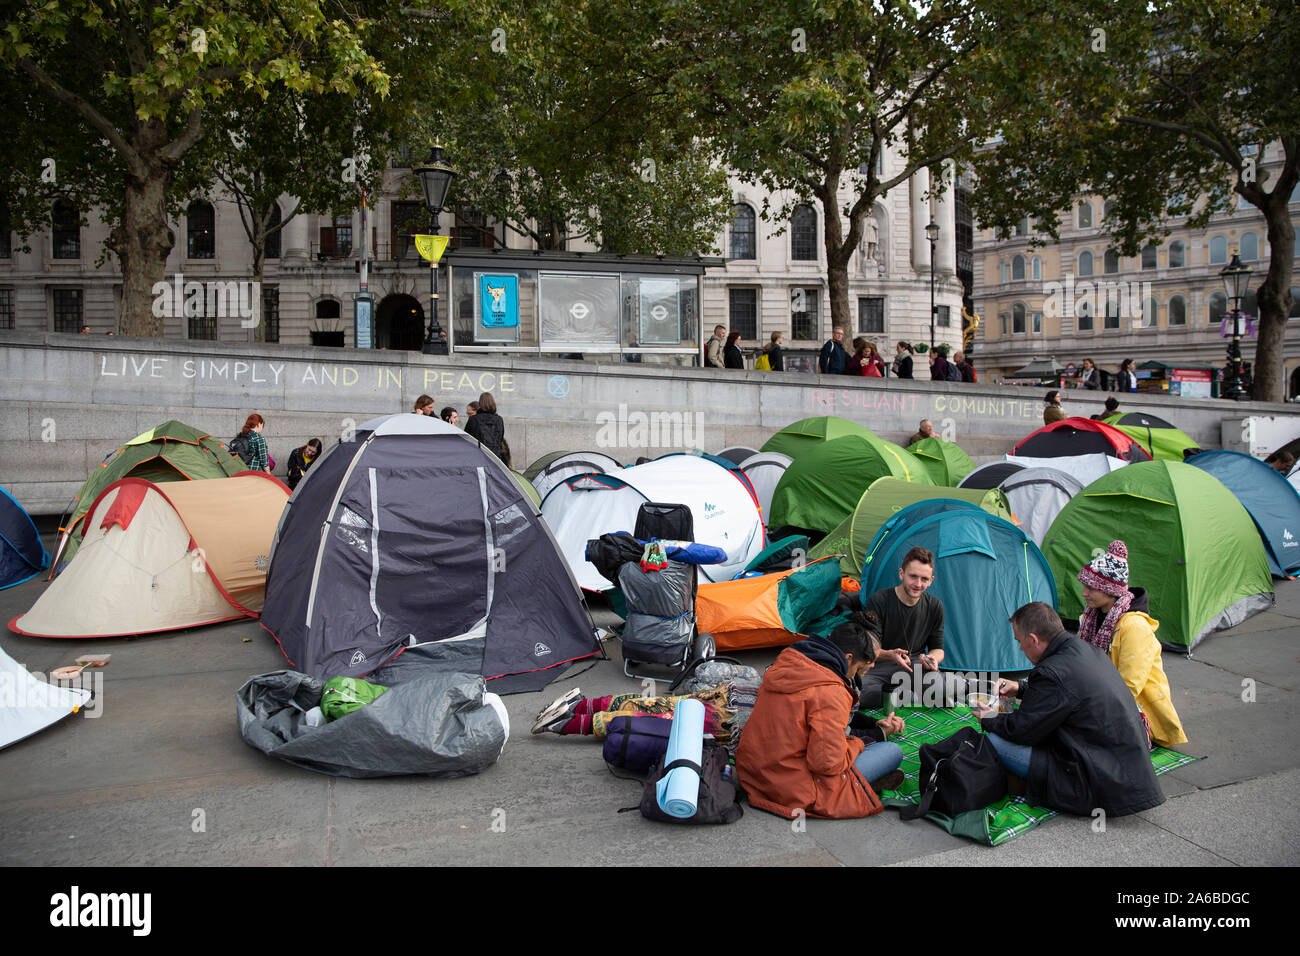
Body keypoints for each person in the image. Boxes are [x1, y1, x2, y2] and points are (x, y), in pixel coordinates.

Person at [971, 602, 1166, 817]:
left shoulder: (1050, 672)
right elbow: (1069, 692)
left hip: (1096, 781)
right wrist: (1021, 688)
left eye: (1020, 641)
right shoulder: (1086, 650)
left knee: (995, 741)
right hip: (1127, 770)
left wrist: (989, 718)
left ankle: (1022, 784)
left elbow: (1023, 731)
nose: (1020, 648)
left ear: (1034, 640)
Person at [736, 611, 905, 819]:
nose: (869, 668)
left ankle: (863, 783)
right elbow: (827, 763)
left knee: (861, 745)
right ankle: (860, 787)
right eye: (864, 665)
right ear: (849, 658)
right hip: (791, 789)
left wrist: (872, 725)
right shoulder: (831, 691)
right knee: (892, 751)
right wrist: (862, 742)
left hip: (754, 773)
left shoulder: (791, 660)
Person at [1077, 540, 1187, 748]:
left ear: (1110, 591)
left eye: (1091, 588)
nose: (1084, 593)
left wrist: (1086, 708)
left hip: (1136, 712)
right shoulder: (1091, 617)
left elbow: (1128, 688)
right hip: (1105, 699)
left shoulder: (1134, 627)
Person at [860, 546, 964, 708]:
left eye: (924, 579)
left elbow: (938, 648)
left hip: (916, 666)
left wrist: (933, 659)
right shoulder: (879, 600)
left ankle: (901, 695)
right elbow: (868, 648)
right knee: (858, 692)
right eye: (913, 577)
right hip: (879, 666)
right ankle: (909, 696)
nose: (918, 584)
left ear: (931, 580)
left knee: (951, 687)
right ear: (902, 574)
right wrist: (890, 654)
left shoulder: (935, 606)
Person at [530, 683, 734, 743]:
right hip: (733, 718)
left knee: (654, 703)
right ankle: (565, 723)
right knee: (653, 721)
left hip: (731, 694)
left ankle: (579, 704)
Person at [464, 391, 507, 463]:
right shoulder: (499, 419)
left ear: (480, 404)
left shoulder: (473, 419)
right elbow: (500, 438)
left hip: (477, 456)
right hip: (494, 456)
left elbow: (467, 438)